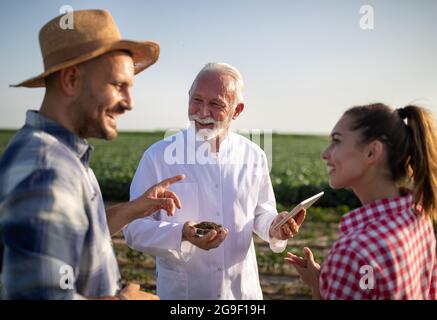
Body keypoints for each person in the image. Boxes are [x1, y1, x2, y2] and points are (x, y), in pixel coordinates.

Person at [0, 9, 185, 300]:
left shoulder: (61, 155)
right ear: (71, 80)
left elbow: (74, 235)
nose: (129, 103)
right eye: (118, 85)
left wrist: (133, 208)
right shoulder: (45, 169)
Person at [123, 62, 305, 300]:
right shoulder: (158, 156)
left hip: (242, 294)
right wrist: (182, 234)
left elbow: (260, 212)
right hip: (185, 295)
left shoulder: (254, 155)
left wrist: (274, 226)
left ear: (237, 111)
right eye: (196, 100)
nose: (203, 112)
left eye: (216, 104)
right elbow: (134, 229)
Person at [285, 103, 437, 299]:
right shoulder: (419, 216)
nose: (325, 154)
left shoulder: (353, 253)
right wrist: (322, 282)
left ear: (371, 152)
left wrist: (320, 288)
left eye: (336, 141)